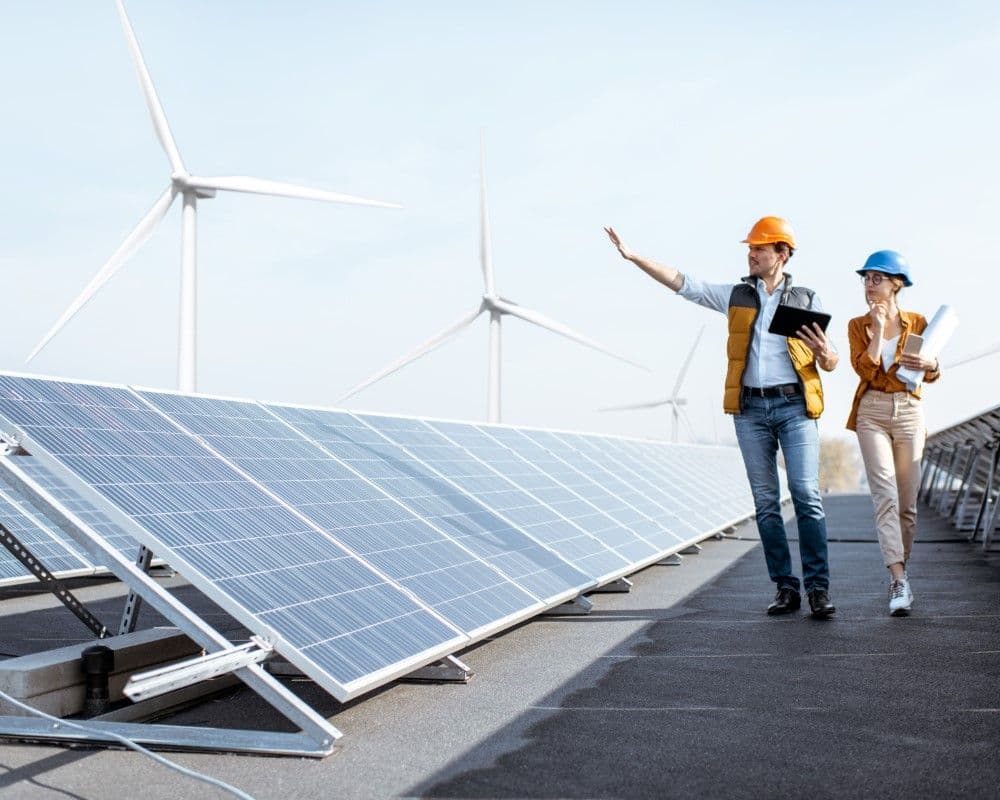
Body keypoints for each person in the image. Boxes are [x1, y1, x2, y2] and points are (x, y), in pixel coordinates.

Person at [605, 216, 839, 617]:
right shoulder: (737, 296)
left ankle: (818, 589)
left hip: (795, 408)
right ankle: (786, 587)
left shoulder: (805, 298)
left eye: (759, 249)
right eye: (750, 248)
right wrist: (633, 257)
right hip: (749, 411)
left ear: (781, 254)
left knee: (806, 495)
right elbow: (685, 283)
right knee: (766, 502)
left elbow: (831, 359)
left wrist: (825, 355)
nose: (751, 254)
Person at [846, 250, 940, 616]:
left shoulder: (918, 321)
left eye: (877, 278)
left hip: (909, 411)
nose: (869, 285)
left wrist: (931, 363)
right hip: (871, 411)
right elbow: (865, 371)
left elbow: (930, 372)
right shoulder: (857, 325)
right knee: (884, 494)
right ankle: (897, 579)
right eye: (866, 278)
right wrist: (879, 330)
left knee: (907, 505)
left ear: (896, 283)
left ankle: (903, 569)